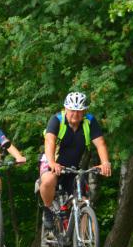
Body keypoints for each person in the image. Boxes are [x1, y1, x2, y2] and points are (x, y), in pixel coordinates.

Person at [39, 91, 111, 229]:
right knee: (48, 180)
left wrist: (105, 163)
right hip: (52, 161)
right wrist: (52, 163)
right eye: (72, 110)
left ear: (84, 111)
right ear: (65, 108)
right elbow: (49, 141)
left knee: (84, 201)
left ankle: (85, 240)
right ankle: (47, 210)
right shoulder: (57, 120)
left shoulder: (90, 122)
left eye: (79, 111)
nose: (75, 114)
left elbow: (100, 143)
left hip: (74, 167)